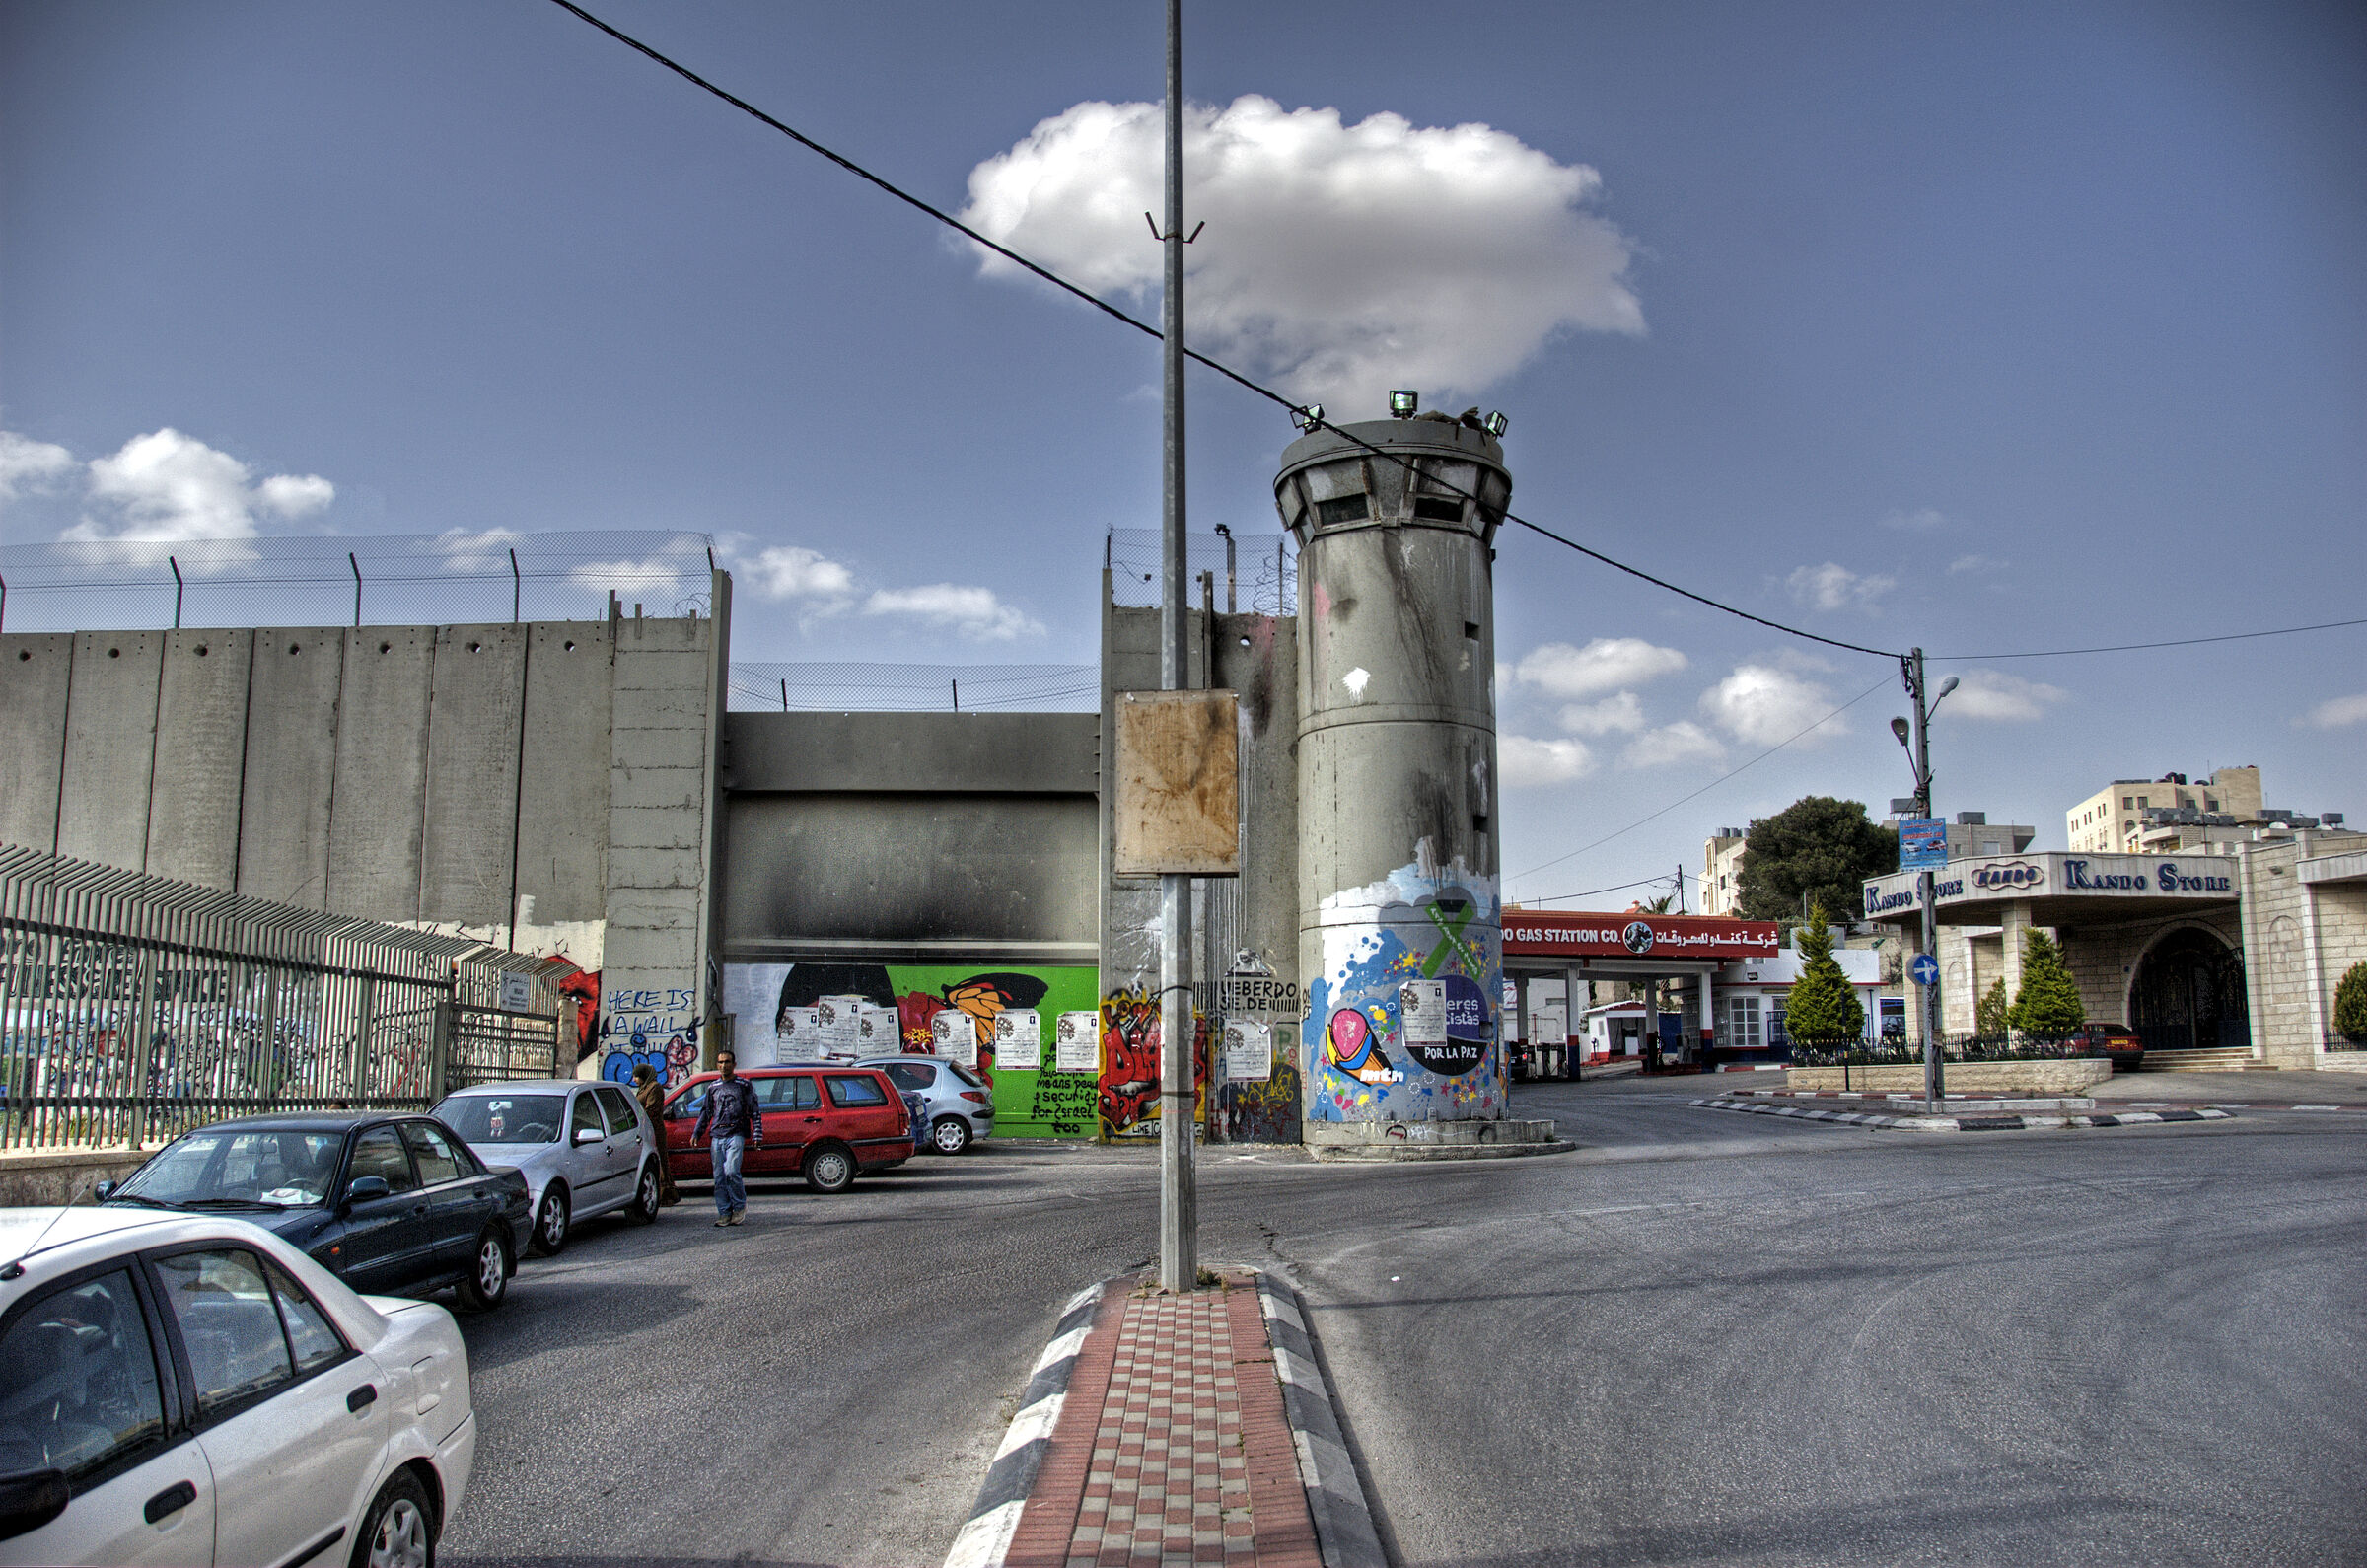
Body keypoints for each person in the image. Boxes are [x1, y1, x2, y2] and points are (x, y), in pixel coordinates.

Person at [690, 1049, 761, 1227]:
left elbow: (754, 1109)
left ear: (734, 1064)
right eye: (720, 1062)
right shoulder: (713, 1087)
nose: (724, 1066)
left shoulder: (743, 1085)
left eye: (727, 1062)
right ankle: (724, 1212)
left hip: (736, 1133)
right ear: (717, 1065)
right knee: (719, 1177)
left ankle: (738, 1206)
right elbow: (706, 1112)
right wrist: (697, 1132)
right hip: (717, 1136)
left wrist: (757, 1133)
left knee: (731, 1170)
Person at [629, 1064, 680, 1207]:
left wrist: (638, 1118)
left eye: (636, 1076)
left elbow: (651, 1109)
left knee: (661, 1161)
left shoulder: (654, 1088)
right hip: (647, 1129)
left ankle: (666, 1194)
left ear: (643, 1076)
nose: (634, 1080)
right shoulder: (644, 1088)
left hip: (655, 1130)